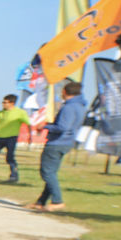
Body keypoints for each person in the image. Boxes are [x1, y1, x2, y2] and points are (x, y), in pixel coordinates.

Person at [29, 80, 85, 213]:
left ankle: (57, 201)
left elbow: (62, 127)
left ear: (65, 92)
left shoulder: (68, 107)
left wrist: (45, 126)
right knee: (51, 173)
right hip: (67, 142)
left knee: (47, 172)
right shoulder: (80, 106)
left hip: (57, 142)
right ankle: (41, 202)